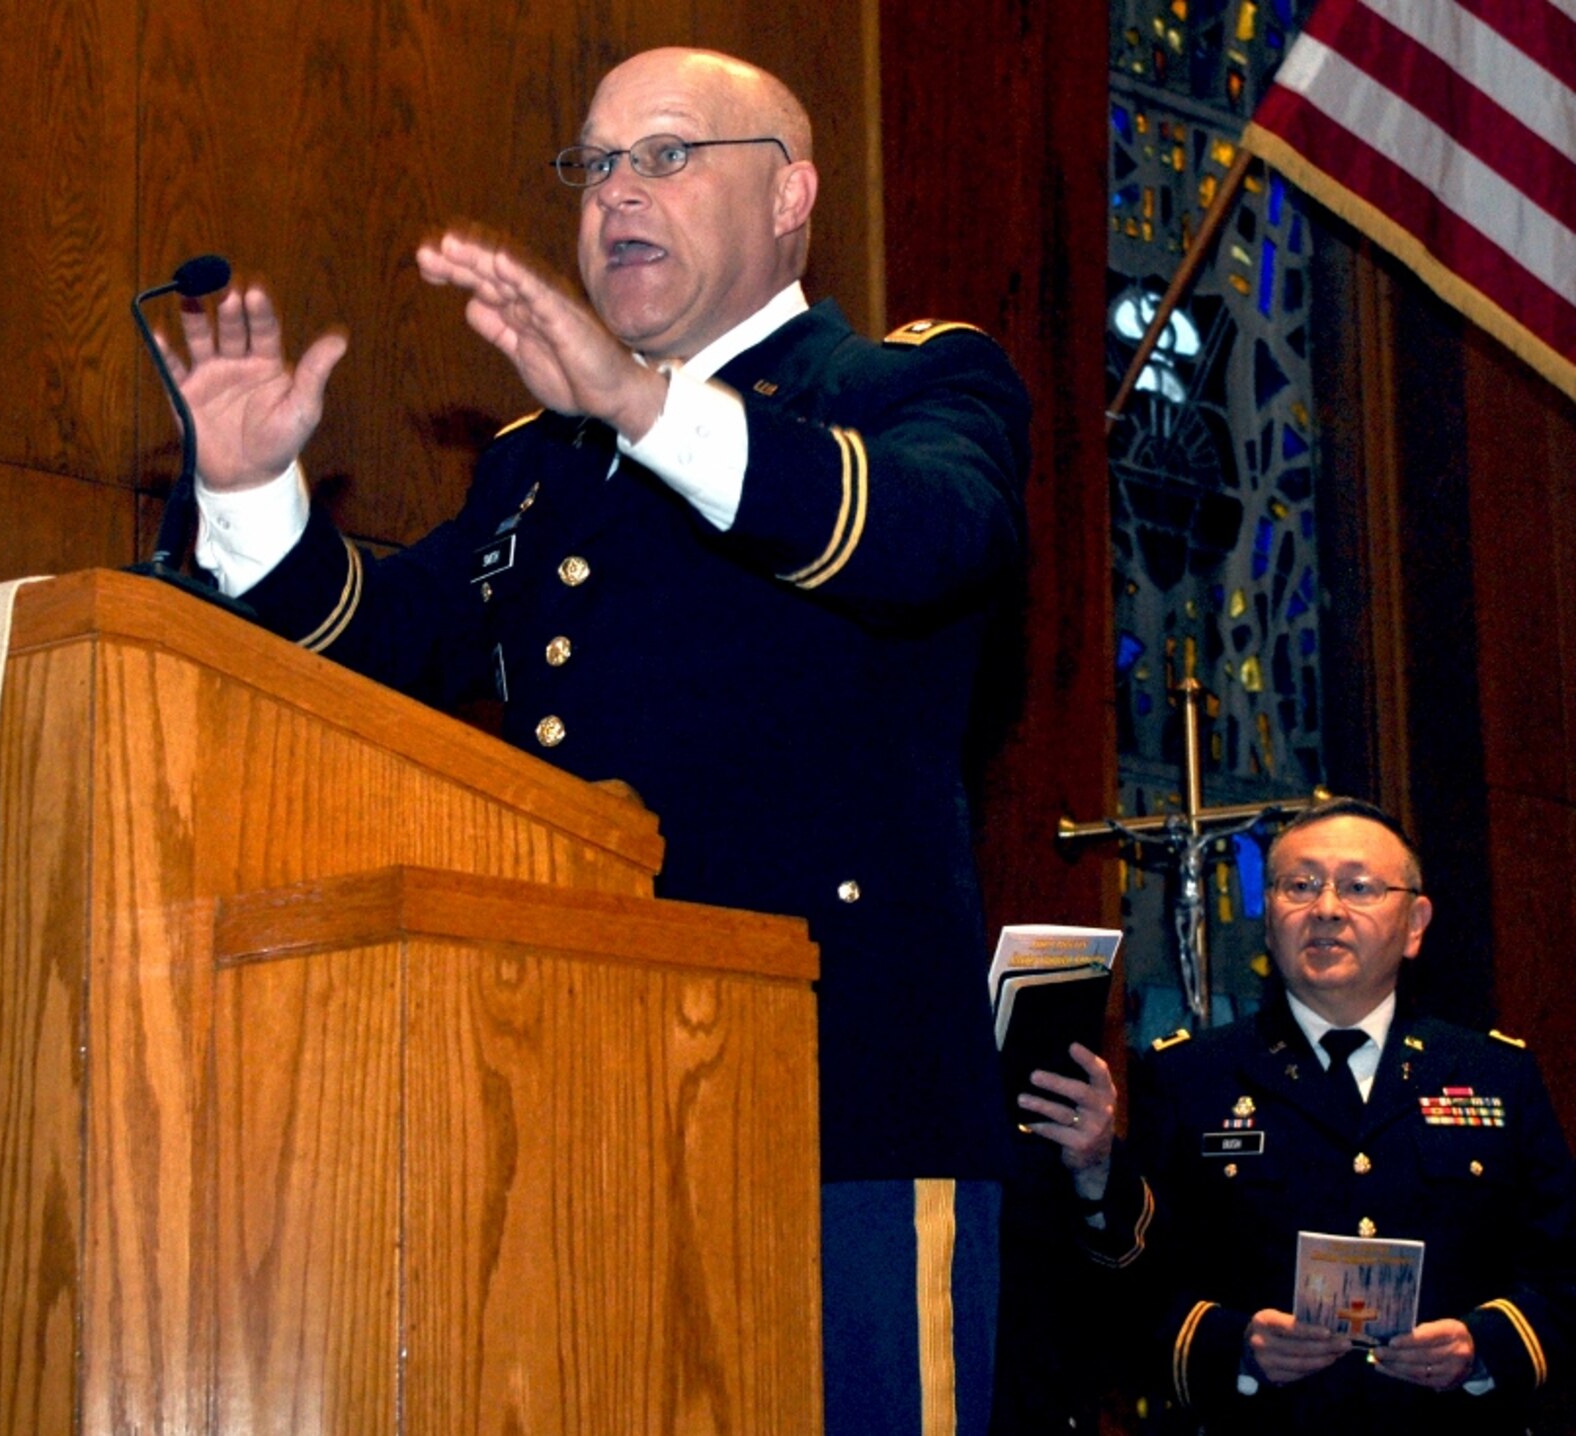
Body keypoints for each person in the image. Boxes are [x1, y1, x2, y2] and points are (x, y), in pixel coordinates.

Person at [160, 46, 1030, 1434]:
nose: (617, 193)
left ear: (791, 193)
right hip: (573, 1101)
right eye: (594, 164)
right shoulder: (536, 458)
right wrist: (254, 496)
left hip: (842, 1110)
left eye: (668, 155)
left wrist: (644, 408)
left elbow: (924, 540)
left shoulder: (909, 385)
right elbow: (404, 643)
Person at [1069, 797, 1576, 1433]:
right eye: (1299, 885)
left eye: (1359, 887)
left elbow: (1565, 1277)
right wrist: (1239, 1345)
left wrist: (1481, 1347)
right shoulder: (1188, 1078)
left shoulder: (1495, 1075)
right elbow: (1130, 1295)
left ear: (1415, 923)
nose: (1327, 909)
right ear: (1270, 916)